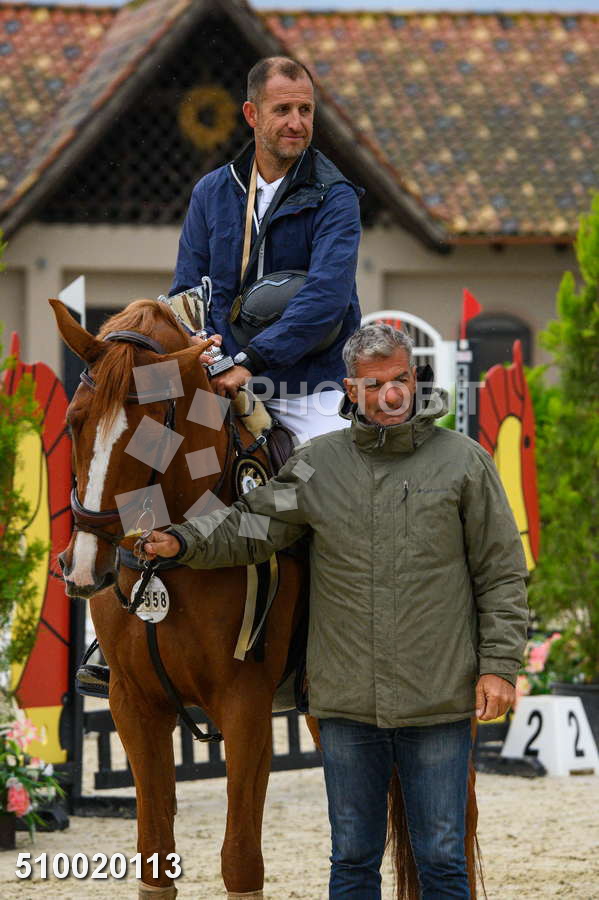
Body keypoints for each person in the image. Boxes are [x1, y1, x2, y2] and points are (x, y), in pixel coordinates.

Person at [143, 323, 530, 899]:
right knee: (351, 859)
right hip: (347, 707)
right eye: (374, 385)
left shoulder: (465, 463)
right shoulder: (316, 464)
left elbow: (501, 573)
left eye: (400, 380)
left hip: (439, 700)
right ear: (351, 389)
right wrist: (181, 542)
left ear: (415, 378)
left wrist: (499, 666)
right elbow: (253, 525)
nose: (390, 395)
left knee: (442, 859)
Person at [171, 55, 363, 440]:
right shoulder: (211, 192)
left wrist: (252, 362)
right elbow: (186, 291)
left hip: (309, 388)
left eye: (305, 110)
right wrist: (207, 349)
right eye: (282, 110)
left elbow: (327, 297)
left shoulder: (336, 196)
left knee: (329, 472)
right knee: (151, 450)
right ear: (252, 114)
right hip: (221, 376)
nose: (297, 123)